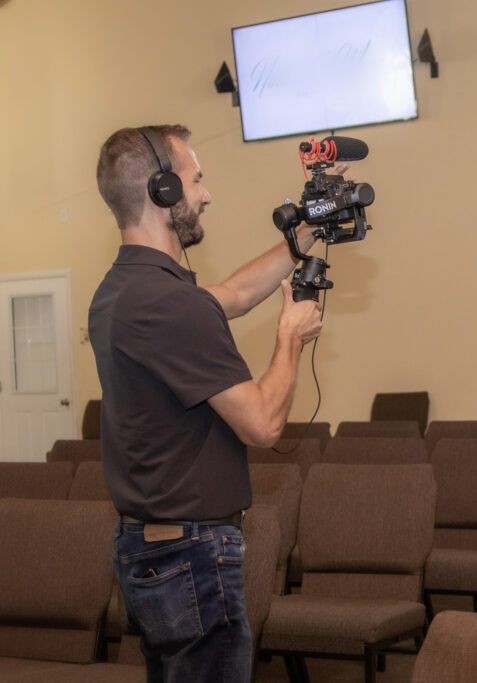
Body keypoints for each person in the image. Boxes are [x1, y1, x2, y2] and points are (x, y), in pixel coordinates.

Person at [89, 124, 325, 681]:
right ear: (163, 191)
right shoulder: (173, 305)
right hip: (190, 554)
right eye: (196, 180)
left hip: (147, 548)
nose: (206, 194)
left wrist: (301, 240)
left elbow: (236, 295)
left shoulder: (122, 291)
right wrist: (289, 336)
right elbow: (264, 425)